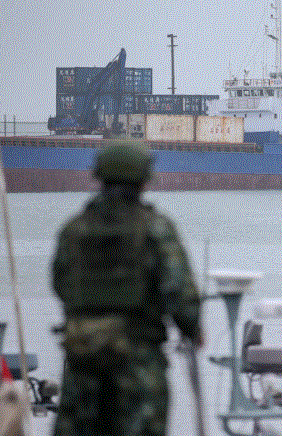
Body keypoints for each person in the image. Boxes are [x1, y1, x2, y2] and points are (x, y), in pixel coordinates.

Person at [51, 142, 201, 436]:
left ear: (99, 176)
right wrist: (192, 330)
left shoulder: (73, 229)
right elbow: (181, 296)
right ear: (143, 180)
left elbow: (60, 284)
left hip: (83, 363)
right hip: (139, 362)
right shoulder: (156, 229)